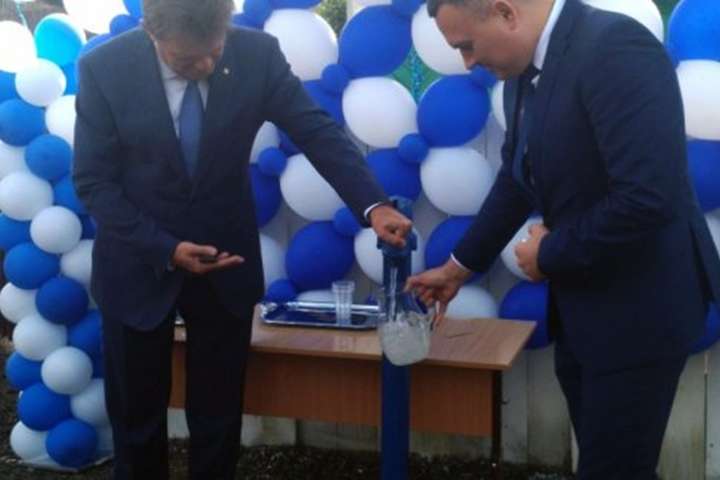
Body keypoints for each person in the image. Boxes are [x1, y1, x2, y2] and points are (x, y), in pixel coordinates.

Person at [72, 1, 412, 478]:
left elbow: (316, 132)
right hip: (136, 265)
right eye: (187, 59)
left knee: (218, 416)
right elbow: (93, 182)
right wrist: (165, 248)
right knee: (136, 421)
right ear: (152, 33)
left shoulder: (257, 54)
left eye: (214, 51)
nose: (206, 66)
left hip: (224, 264)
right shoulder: (104, 68)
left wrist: (373, 205)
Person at [406, 0, 720, 478]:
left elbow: (647, 196)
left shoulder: (616, 48)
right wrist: (456, 269)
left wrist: (548, 252)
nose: (467, 63)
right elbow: (517, 181)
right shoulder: (521, 73)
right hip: (582, 311)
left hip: (640, 312)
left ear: (505, 12)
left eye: (467, 46)